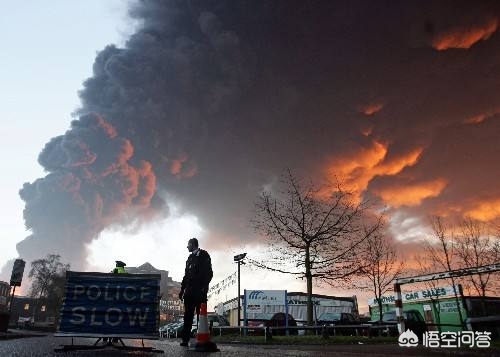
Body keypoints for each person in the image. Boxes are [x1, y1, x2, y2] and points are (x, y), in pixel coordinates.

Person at [179, 238, 213, 347]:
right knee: (187, 316)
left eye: (188, 244)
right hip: (189, 292)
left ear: (193, 245)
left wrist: (204, 288)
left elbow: (209, 273)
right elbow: (186, 276)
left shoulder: (204, 255)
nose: (187, 247)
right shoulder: (189, 258)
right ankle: (185, 340)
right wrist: (182, 290)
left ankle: (202, 339)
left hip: (199, 291)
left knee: (201, 316)